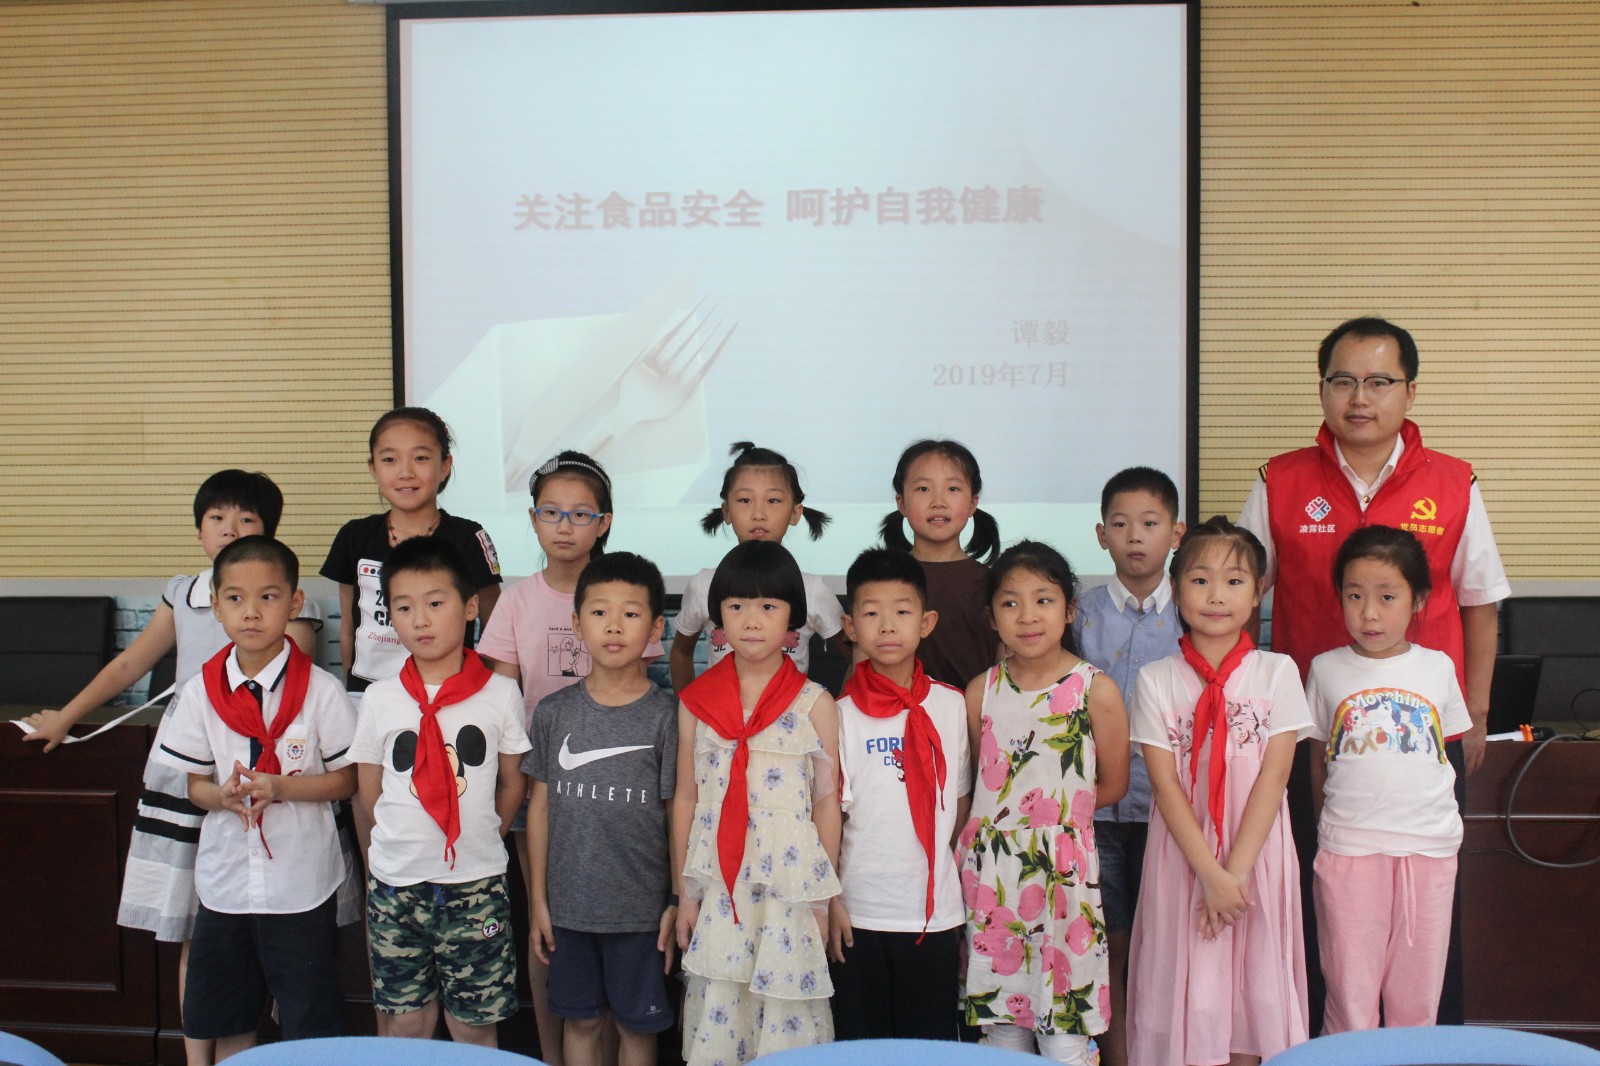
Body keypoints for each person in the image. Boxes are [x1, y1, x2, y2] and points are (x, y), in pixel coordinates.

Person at [1237, 317, 1510, 1027]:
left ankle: (1427, 1045)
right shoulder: (1280, 480)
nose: (1360, 398)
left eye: (1380, 381)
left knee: (1431, 916)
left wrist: (1477, 713)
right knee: (1320, 900)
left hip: (1426, 735)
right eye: (1344, 381)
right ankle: (1326, 1044)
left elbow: (1480, 602)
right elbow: (1235, 598)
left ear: (1409, 392)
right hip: (1309, 735)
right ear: (1322, 389)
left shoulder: (1452, 481)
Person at [22, 470, 324, 1066]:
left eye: (246, 520)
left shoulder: (293, 603)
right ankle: (196, 1058)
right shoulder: (182, 593)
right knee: (194, 927)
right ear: (199, 530)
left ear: (270, 534)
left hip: (261, 779)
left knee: (260, 931)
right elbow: (129, 664)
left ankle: (251, 1054)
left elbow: (295, 689)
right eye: (217, 518)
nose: (230, 529)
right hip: (188, 770)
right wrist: (66, 717)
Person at [478, 450, 663, 1065]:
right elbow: (501, 700)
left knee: (615, 948)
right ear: (533, 519)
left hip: (616, 794)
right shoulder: (516, 600)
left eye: (580, 513)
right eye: (551, 512)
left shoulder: (623, 591)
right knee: (551, 930)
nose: (565, 525)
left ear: (603, 522)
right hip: (542, 785)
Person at [152, 536, 357, 1060]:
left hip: (300, 885)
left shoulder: (321, 690)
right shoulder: (200, 691)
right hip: (226, 884)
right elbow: (194, 786)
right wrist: (220, 796)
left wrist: (281, 787)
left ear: (294, 603)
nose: (251, 612)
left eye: (268, 597)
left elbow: (347, 780)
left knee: (309, 1021)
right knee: (229, 1018)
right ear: (216, 606)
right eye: (235, 598)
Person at [1126, 517, 1311, 1066]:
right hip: (1185, 858)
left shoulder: (1278, 671)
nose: (1216, 595)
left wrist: (1234, 876)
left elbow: (1274, 778)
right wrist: (1209, 874)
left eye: (1234, 581)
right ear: (1176, 589)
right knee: (1193, 991)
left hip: (1255, 857)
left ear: (1257, 592)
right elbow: (1164, 785)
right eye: (1200, 580)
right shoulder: (1155, 679)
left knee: (1255, 993)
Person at [347, 536, 530, 1047]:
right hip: (396, 884)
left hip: (475, 882)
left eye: (435, 603)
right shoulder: (380, 698)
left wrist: (482, 832)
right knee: (406, 1026)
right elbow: (369, 787)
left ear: (470, 607)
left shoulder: (500, 693)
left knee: (474, 1027)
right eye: (404, 607)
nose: (420, 620)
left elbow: (513, 780)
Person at [671, 540, 842, 1066]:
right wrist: (684, 894)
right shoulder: (696, 703)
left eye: (768, 606)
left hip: (788, 892)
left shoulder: (815, 703)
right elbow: (686, 798)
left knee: (785, 1021)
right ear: (718, 616)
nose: (751, 620)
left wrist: (822, 901)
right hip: (719, 890)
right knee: (723, 1012)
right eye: (737, 605)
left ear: (793, 618)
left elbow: (826, 804)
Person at [960, 540, 1129, 1065]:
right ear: (992, 617)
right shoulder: (980, 691)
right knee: (1002, 1030)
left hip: (1064, 882)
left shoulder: (1094, 689)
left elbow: (1113, 784)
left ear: (1069, 609)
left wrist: (1058, 822)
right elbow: (984, 782)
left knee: (1065, 1037)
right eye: (1010, 603)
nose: (1027, 616)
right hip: (995, 881)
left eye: (1043, 600)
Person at [1305, 526, 1470, 1033]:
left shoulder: (1438, 668)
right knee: (1349, 994)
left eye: (1387, 596)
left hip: (1428, 851)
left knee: (1417, 999)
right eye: (1355, 596)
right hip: (1350, 852)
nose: (1369, 614)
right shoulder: (1325, 669)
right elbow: (1318, 760)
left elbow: (1447, 755)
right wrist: (1329, 827)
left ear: (1418, 600)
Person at [524, 551, 678, 1066]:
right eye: (598, 612)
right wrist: (539, 901)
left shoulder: (668, 716)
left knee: (637, 1028)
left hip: (641, 914)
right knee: (582, 1023)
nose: (614, 626)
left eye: (631, 613)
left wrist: (675, 899)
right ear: (576, 624)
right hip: (570, 910)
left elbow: (676, 814)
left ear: (655, 628)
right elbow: (539, 808)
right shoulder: (553, 713)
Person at [828, 548, 971, 1042]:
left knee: (927, 1044)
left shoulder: (952, 706)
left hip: (933, 913)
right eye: (871, 613)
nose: (887, 625)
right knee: (861, 1045)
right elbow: (831, 816)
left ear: (926, 622)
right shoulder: (839, 714)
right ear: (850, 627)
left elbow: (960, 801)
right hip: (859, 911)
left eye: (902, 611)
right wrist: (831, 900)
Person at [1070, 466, 1185, 1066]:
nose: (1134, 536)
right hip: (1097, 811)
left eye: (1149, 523)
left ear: (1176, 533)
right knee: (1108, 943)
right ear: (1100, 535)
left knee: (1165, 946)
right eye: (1120, 524)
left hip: (1173, 810)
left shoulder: (1195, 611)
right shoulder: (1078, 614)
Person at [322, 406, 503, 694]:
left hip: (450, 694)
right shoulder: (354, 537)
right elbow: (349, 627)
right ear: (373, 467)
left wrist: (485, 695)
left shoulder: (468, 537)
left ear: (445, 465)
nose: (405, 472)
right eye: (389, 459)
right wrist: (351, 693)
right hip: (368, 695)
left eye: (420, 458)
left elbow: (496, 628)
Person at [669, 442, 843, 693]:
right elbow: (681, 652)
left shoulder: (813, 589)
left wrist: (844, 710)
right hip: (720, 718)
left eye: (773, 500)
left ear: (795, 513)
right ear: (726, 511)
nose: (758, 513)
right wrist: (688, 708)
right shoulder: (703, 585)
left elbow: (856, 654)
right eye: (745, 500)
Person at [879, 439, 1001, 689]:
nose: (938, 501)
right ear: (901, 502)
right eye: (923, 488)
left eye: (953, 489)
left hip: (975, 710)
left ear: (973, 503)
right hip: (897, 711)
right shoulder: (881, 578)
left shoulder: (993, 582)